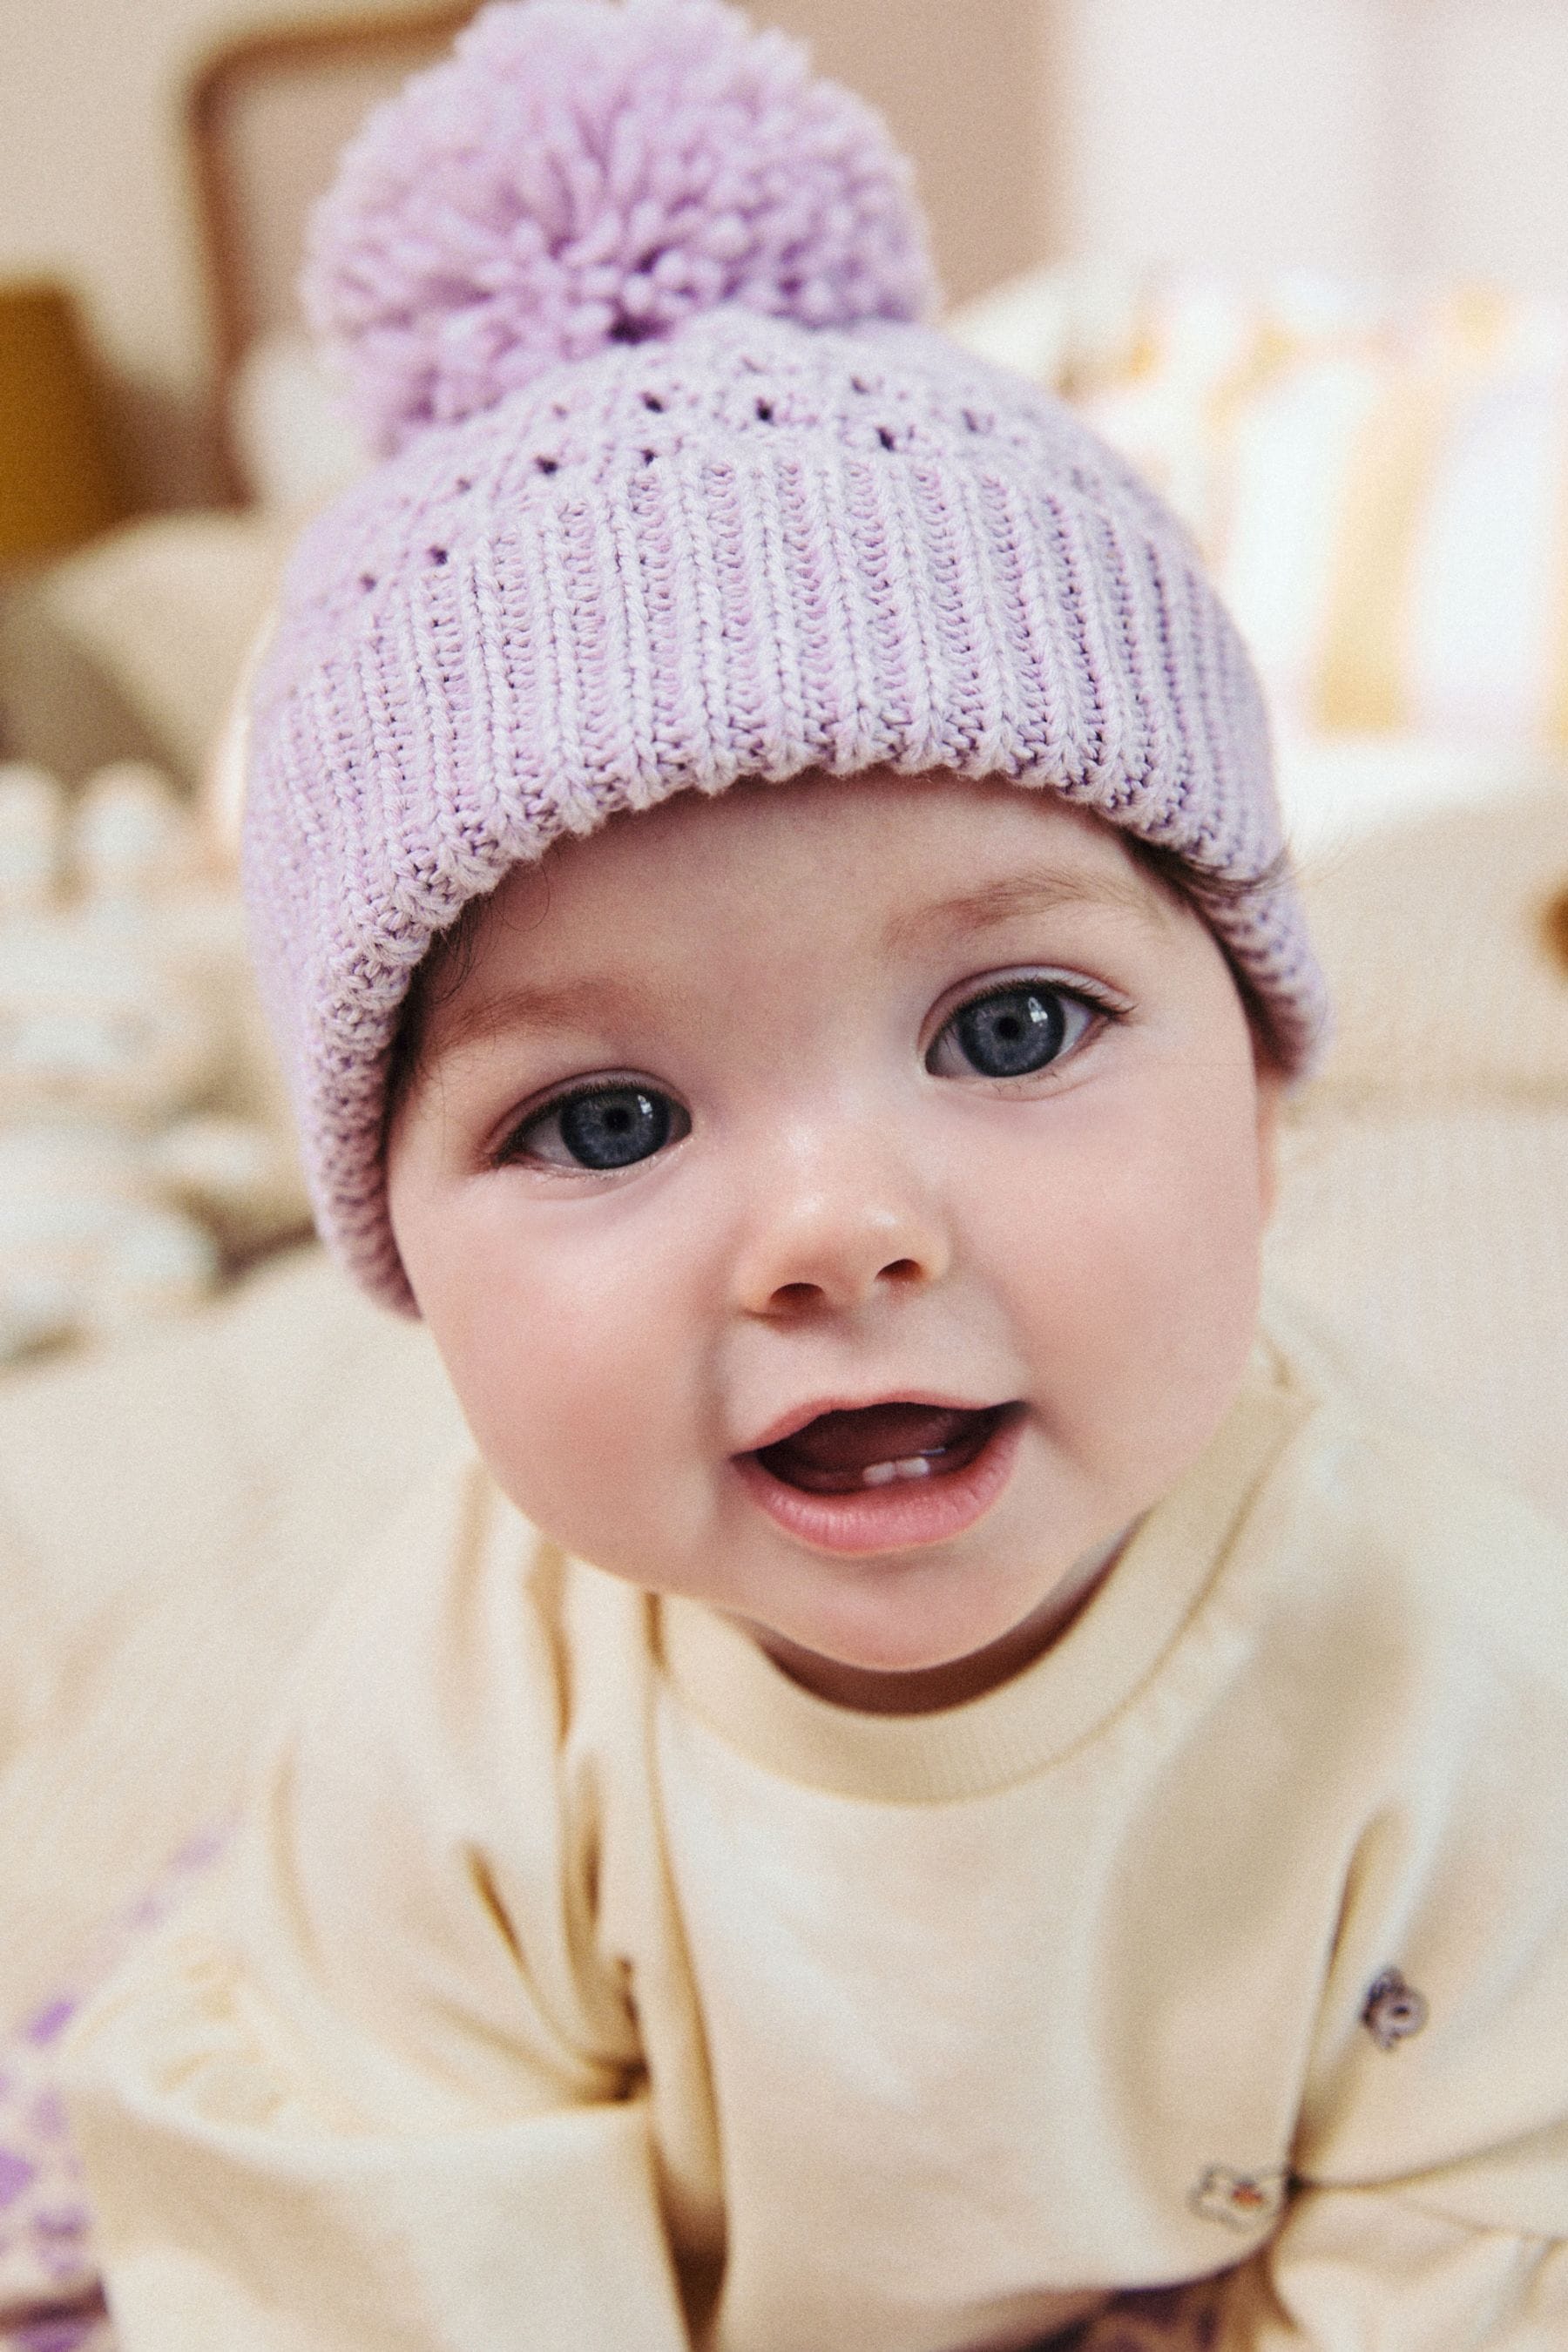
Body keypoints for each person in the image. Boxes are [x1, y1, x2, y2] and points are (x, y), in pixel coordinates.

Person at [63, 3, 1568, 2346]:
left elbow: (1488, 2223)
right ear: (397, 1250)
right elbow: (379, 2242)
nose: (839, 1229)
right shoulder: (463, 1708)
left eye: (1013, 1026)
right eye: (605, 1118)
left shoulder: (1452, 1665)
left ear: (1267, 1101)